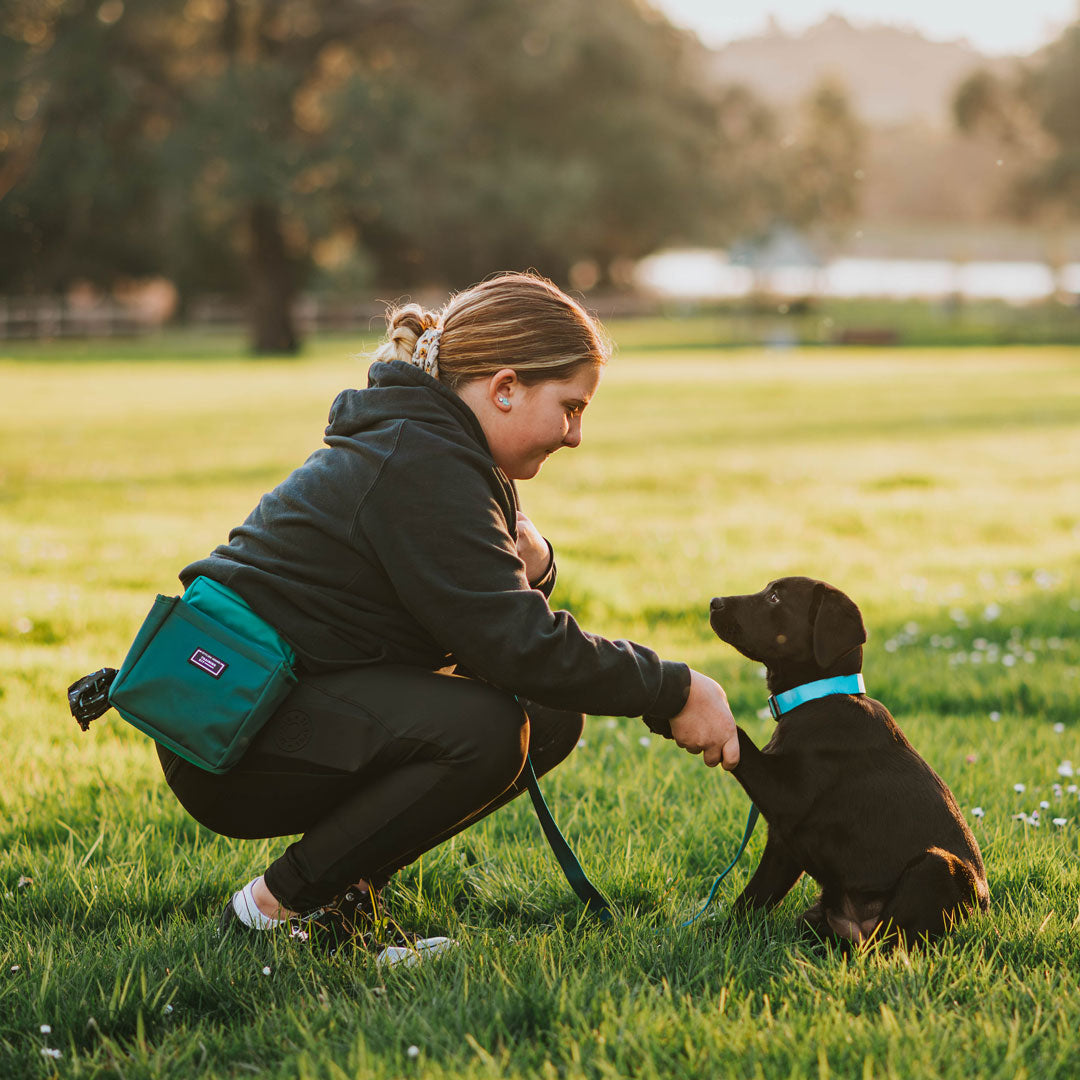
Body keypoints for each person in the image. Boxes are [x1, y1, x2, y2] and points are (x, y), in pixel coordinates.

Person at [158, 271, 739, 959]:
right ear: (504, 388)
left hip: (281, 703)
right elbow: (516, 645)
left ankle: (336, 902)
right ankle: (268, 914)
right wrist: (674, 689)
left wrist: (537, 561)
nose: (576, 435)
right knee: (486, 729)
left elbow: (492, 622)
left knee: (544, 716)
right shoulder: (421, 462)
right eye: (571, 407)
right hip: (233, 732)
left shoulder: (434, 447)